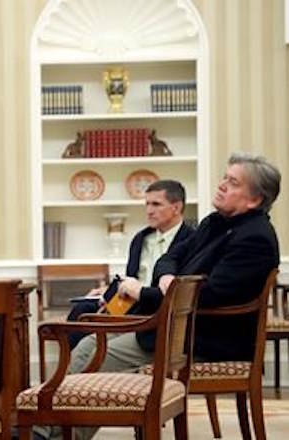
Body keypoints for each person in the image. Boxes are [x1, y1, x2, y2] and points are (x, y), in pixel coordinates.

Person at [58, 153, 280, 440]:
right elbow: (170, 257)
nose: (222, 185)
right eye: (225, 177)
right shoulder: (214, 223)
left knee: (95, 355)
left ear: (254, 199)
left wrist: (162, 290)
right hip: (175, 326)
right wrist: (166, 279)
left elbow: (210, 295)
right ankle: (55, 431)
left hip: (204, 340)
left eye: (233, 182)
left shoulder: (255, 238)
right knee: (90, 343)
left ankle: (49, 431)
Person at [66, 179, 194, 349]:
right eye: (147, 204)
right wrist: (107, 293)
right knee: (83, 310)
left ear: (176, 208)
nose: (149, 211)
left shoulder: (192, 240)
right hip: (129, 302)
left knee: (90, 334)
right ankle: (72, 372)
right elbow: (131, 278)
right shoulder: (141, 239)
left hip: (156, 306)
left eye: (156, 204)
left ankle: (84, 369)